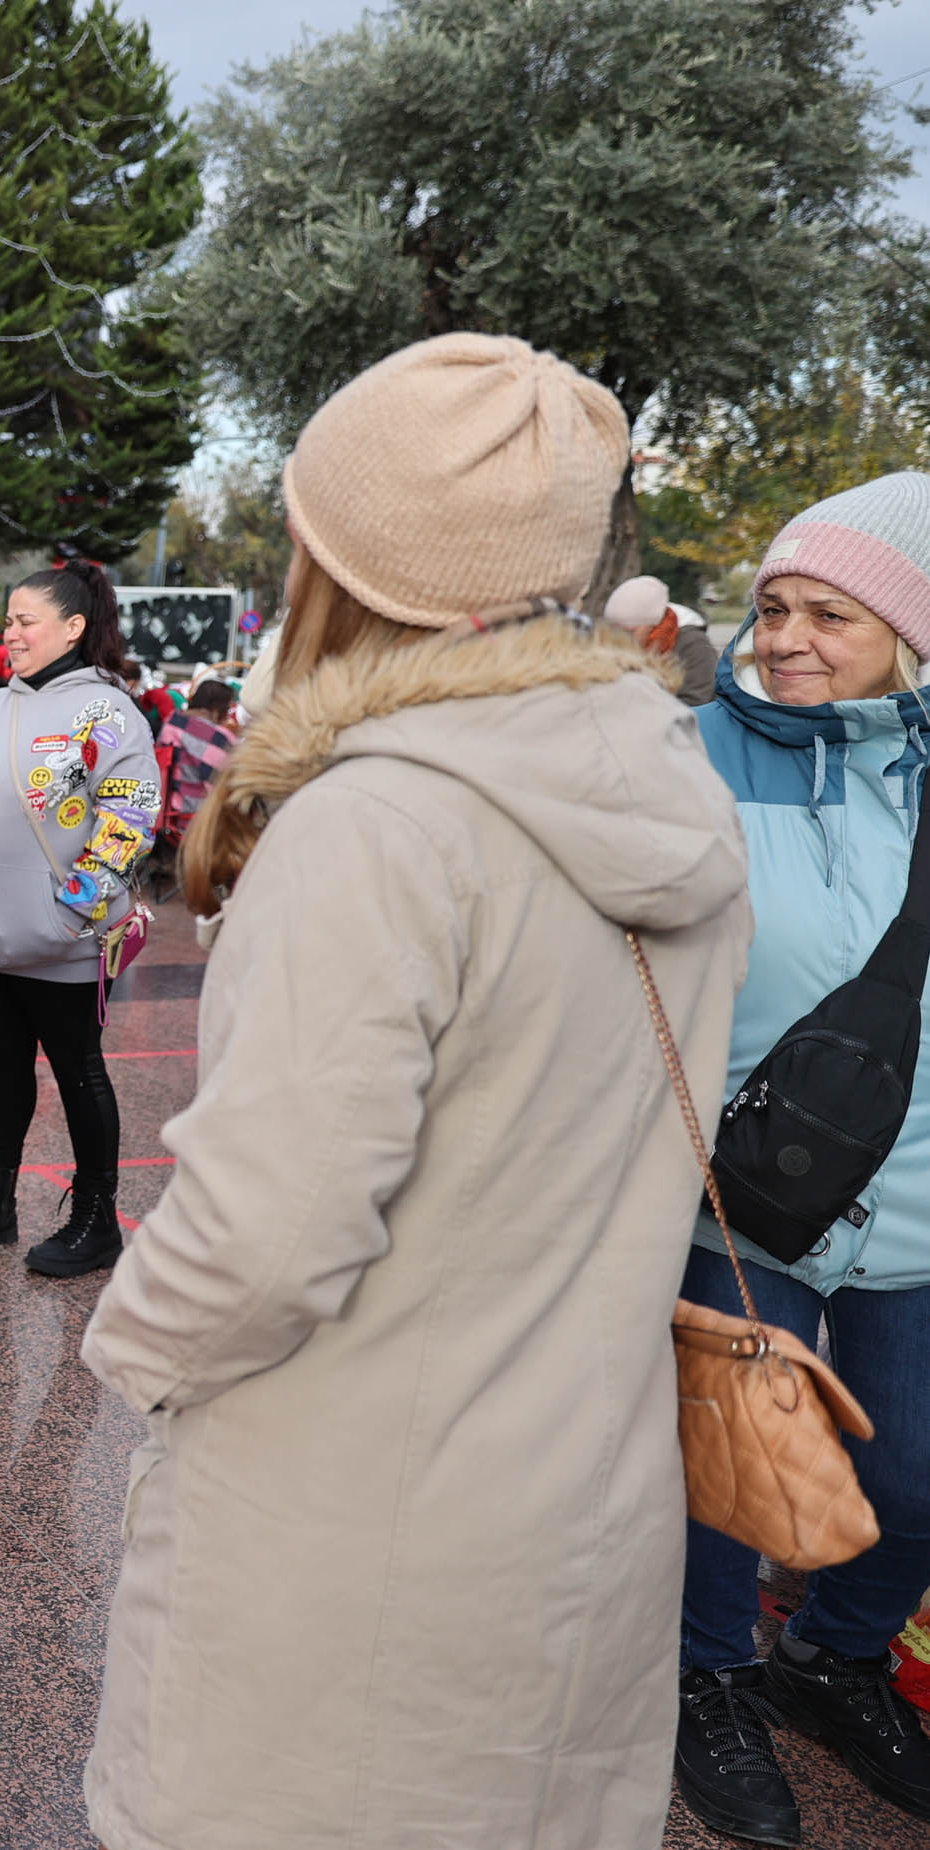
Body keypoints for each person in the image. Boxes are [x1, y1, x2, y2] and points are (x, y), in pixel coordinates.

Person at [78, 334, 751, 1850]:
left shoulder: (377, 824)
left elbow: (267, 1231)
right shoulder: (670, 788)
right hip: (579, 1501)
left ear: (348, 556)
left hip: (343, 1524)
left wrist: (131, 1350)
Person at [672, 470, 930, 1845]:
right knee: (730, 1474)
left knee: (911, 1478)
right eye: (770, 607)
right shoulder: (687, 757)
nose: (782, 638)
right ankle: (702, 1679)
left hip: (916, 1199)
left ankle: (830, 1655)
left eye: (828, 612)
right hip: (732, 1193)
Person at [0, 560, 157, 1275]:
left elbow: (129, 815)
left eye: (25, 621)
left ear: (73, 628)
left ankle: (94, 1218)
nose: (9, 633)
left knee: (79, 1072)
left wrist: (71, 913)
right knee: (2, 1068)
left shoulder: (108, 713)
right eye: (8, 620)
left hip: (62, 940)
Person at [604, 571, 721, 707]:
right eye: (615, 630)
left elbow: (697, 703)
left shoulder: (694, 646)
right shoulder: (615, 643)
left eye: (629, 631)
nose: (620, 638)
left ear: (653, 625)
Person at [157, 678, 238, 825]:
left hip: (165, 818)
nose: (226, 716)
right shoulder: (219, 738)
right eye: (226, 709)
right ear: (216, 708)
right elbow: (230, 786)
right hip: (198, 824)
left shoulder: (171, 722)